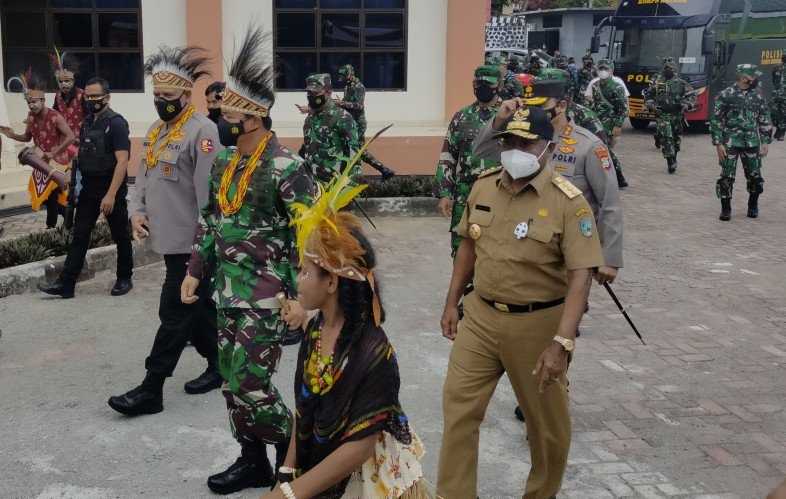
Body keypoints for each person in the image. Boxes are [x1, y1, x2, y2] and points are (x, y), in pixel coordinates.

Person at [437, 105, 604, 499]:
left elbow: (582, 273)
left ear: (546, 146)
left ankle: (539, 494)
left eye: (524, 143)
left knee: (547, 428)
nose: (515, 150)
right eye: (509, 142)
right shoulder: (483, 185)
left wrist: (562, 341)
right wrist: (451, 303)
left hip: (538, 325)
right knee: (458, 410)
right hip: (480, 316)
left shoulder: (569, 201)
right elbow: (467, 246)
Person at [180, 26, 314, 495]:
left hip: (267, 296)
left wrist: (301, 298)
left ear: (253, 116)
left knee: (252, 384)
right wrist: (195, 271)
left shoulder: (287, 168)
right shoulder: (223, 163)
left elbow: (312, 236)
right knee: (231, 386)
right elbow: (210, 221)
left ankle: (295, 455)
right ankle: (253, 460)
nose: (221, 109)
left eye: (229, 105)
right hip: (227, 292)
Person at [262, 162, 430, 499]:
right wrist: (286, 471)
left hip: (362, 483)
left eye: (305, 271)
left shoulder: (374, 355)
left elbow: (358, 449)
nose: (297, 280)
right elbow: (303, 408)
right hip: (318, 473)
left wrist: (291, 494)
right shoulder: (316, 331)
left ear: (332, 282)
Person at [107, 45, 222, 417]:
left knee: (174, 310)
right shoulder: (157, 130)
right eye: (156, 95)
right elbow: (143, 179)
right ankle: (220, 365)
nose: (161, 102)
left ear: (186, 94)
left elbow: (210, 199)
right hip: (167, 240)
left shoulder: (203, 133)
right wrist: (135, 211)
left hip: (192, 244)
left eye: (168, 96)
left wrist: (204, 249)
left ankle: (150, 389)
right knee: (198, 308)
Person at [38, 77, 133, 299]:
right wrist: (75, 182)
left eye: (95, 96)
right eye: (87, 96)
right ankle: (66, 284)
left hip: (111, 187)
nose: (91, 100)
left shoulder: (117, 123)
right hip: (89, 188)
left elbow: (122, 161)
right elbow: (82, 156)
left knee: (120, 235)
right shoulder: (87, 123)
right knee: (79, 236)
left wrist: (110, 195)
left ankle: (124, 277)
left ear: (107, 97)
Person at [435, 65, 501, 258]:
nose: (481, 88)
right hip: (466, 196)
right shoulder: (462, 117)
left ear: (498, 86)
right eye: (477, 84)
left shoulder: (510, 116)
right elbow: (448, 156)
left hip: (498, 195)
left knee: (495, 250)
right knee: (461, 248)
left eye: (487, 84)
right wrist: (444, 193)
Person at [0, 71, 76, 229]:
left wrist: (53, 152)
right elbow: (27, 138)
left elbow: (70, 136)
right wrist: (11, 134)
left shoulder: (55, 117)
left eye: (34, 102)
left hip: (58, 162)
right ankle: (65, 218)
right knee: (47, 198)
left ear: (42, 100)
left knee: (52, 195)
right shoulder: (31, 117)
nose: (32, 105)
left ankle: (52, 226)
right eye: (29, 103)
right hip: (40, 162)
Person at [710, 64, 772, 221]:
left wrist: (765, 142)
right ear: (744, 78)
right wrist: (718, 144)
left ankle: (753, 204)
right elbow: (716, 120)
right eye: (753, 76)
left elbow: (764, 119)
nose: (756, 79)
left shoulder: (757, 96)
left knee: (755, 177)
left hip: (751, 143)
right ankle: (726, 209)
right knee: (726, 177)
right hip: (730, 142)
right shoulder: (726, 95)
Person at [335, 64, 396, 181]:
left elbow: (359, 106)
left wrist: (342, 104)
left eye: (343, 75)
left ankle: (359, 176)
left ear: (349, 74)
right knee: (359, 150)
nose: (342, 78)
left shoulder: (359, 87)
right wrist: (340, 102)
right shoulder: (347, 87)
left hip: (358, 123)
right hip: (350, 122)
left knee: (357, 150)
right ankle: (384, 170)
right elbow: (348, 103)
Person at [298, 73, 361, 183]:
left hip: (335, 186)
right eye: (309, 93)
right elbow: (308, 147)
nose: (311, 96)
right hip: (313, 185)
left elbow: (354, 155)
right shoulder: (310, 118)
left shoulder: (342, 117)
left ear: (328, 92)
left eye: (315, 92)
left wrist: (351, 184)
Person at [643, 58, 695, 174]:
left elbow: (691, 95)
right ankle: (670, 160)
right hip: (662, 114)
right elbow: (648, 96)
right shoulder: (658, 83)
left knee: (676, 139)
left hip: (677, 115)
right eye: (666, 68)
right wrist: (651, 104)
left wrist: (687, 105)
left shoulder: (681, 83)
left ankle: (674, 157)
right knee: (667, 137)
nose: (668, 70)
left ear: (674, 69)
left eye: (670, 68)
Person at [585, 59, 629, 188]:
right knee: (601, 150)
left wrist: (618, 125)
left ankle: (618, 176)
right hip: (597, 122)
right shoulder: (595, 85)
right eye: (601, 69)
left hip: (610, 124)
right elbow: (594, 104)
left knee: (605, 150)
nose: (603, 71)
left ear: (611, 71)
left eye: (606, 69)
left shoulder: (617, 87)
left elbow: (623, 109)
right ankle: (611, 177)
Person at [51, 49, 86, 201]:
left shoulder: (82, 95)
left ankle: (82, 208)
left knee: (78, 178)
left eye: (68, 81)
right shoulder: (57, 96)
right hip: (65, 144)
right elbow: (54, 118)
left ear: (74, 80)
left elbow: (90, 119)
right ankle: (66, 210)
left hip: (81, 144)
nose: (64, 84)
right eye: (61, 81)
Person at [771, 54, 786, 141]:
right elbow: (774, 79)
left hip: (780, 94)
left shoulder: (776, 67)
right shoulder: (776, 67)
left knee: (781, 114)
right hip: (778, 94)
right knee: (778, 114)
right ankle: (779, 131)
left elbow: (773, 79)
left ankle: (780, 133)